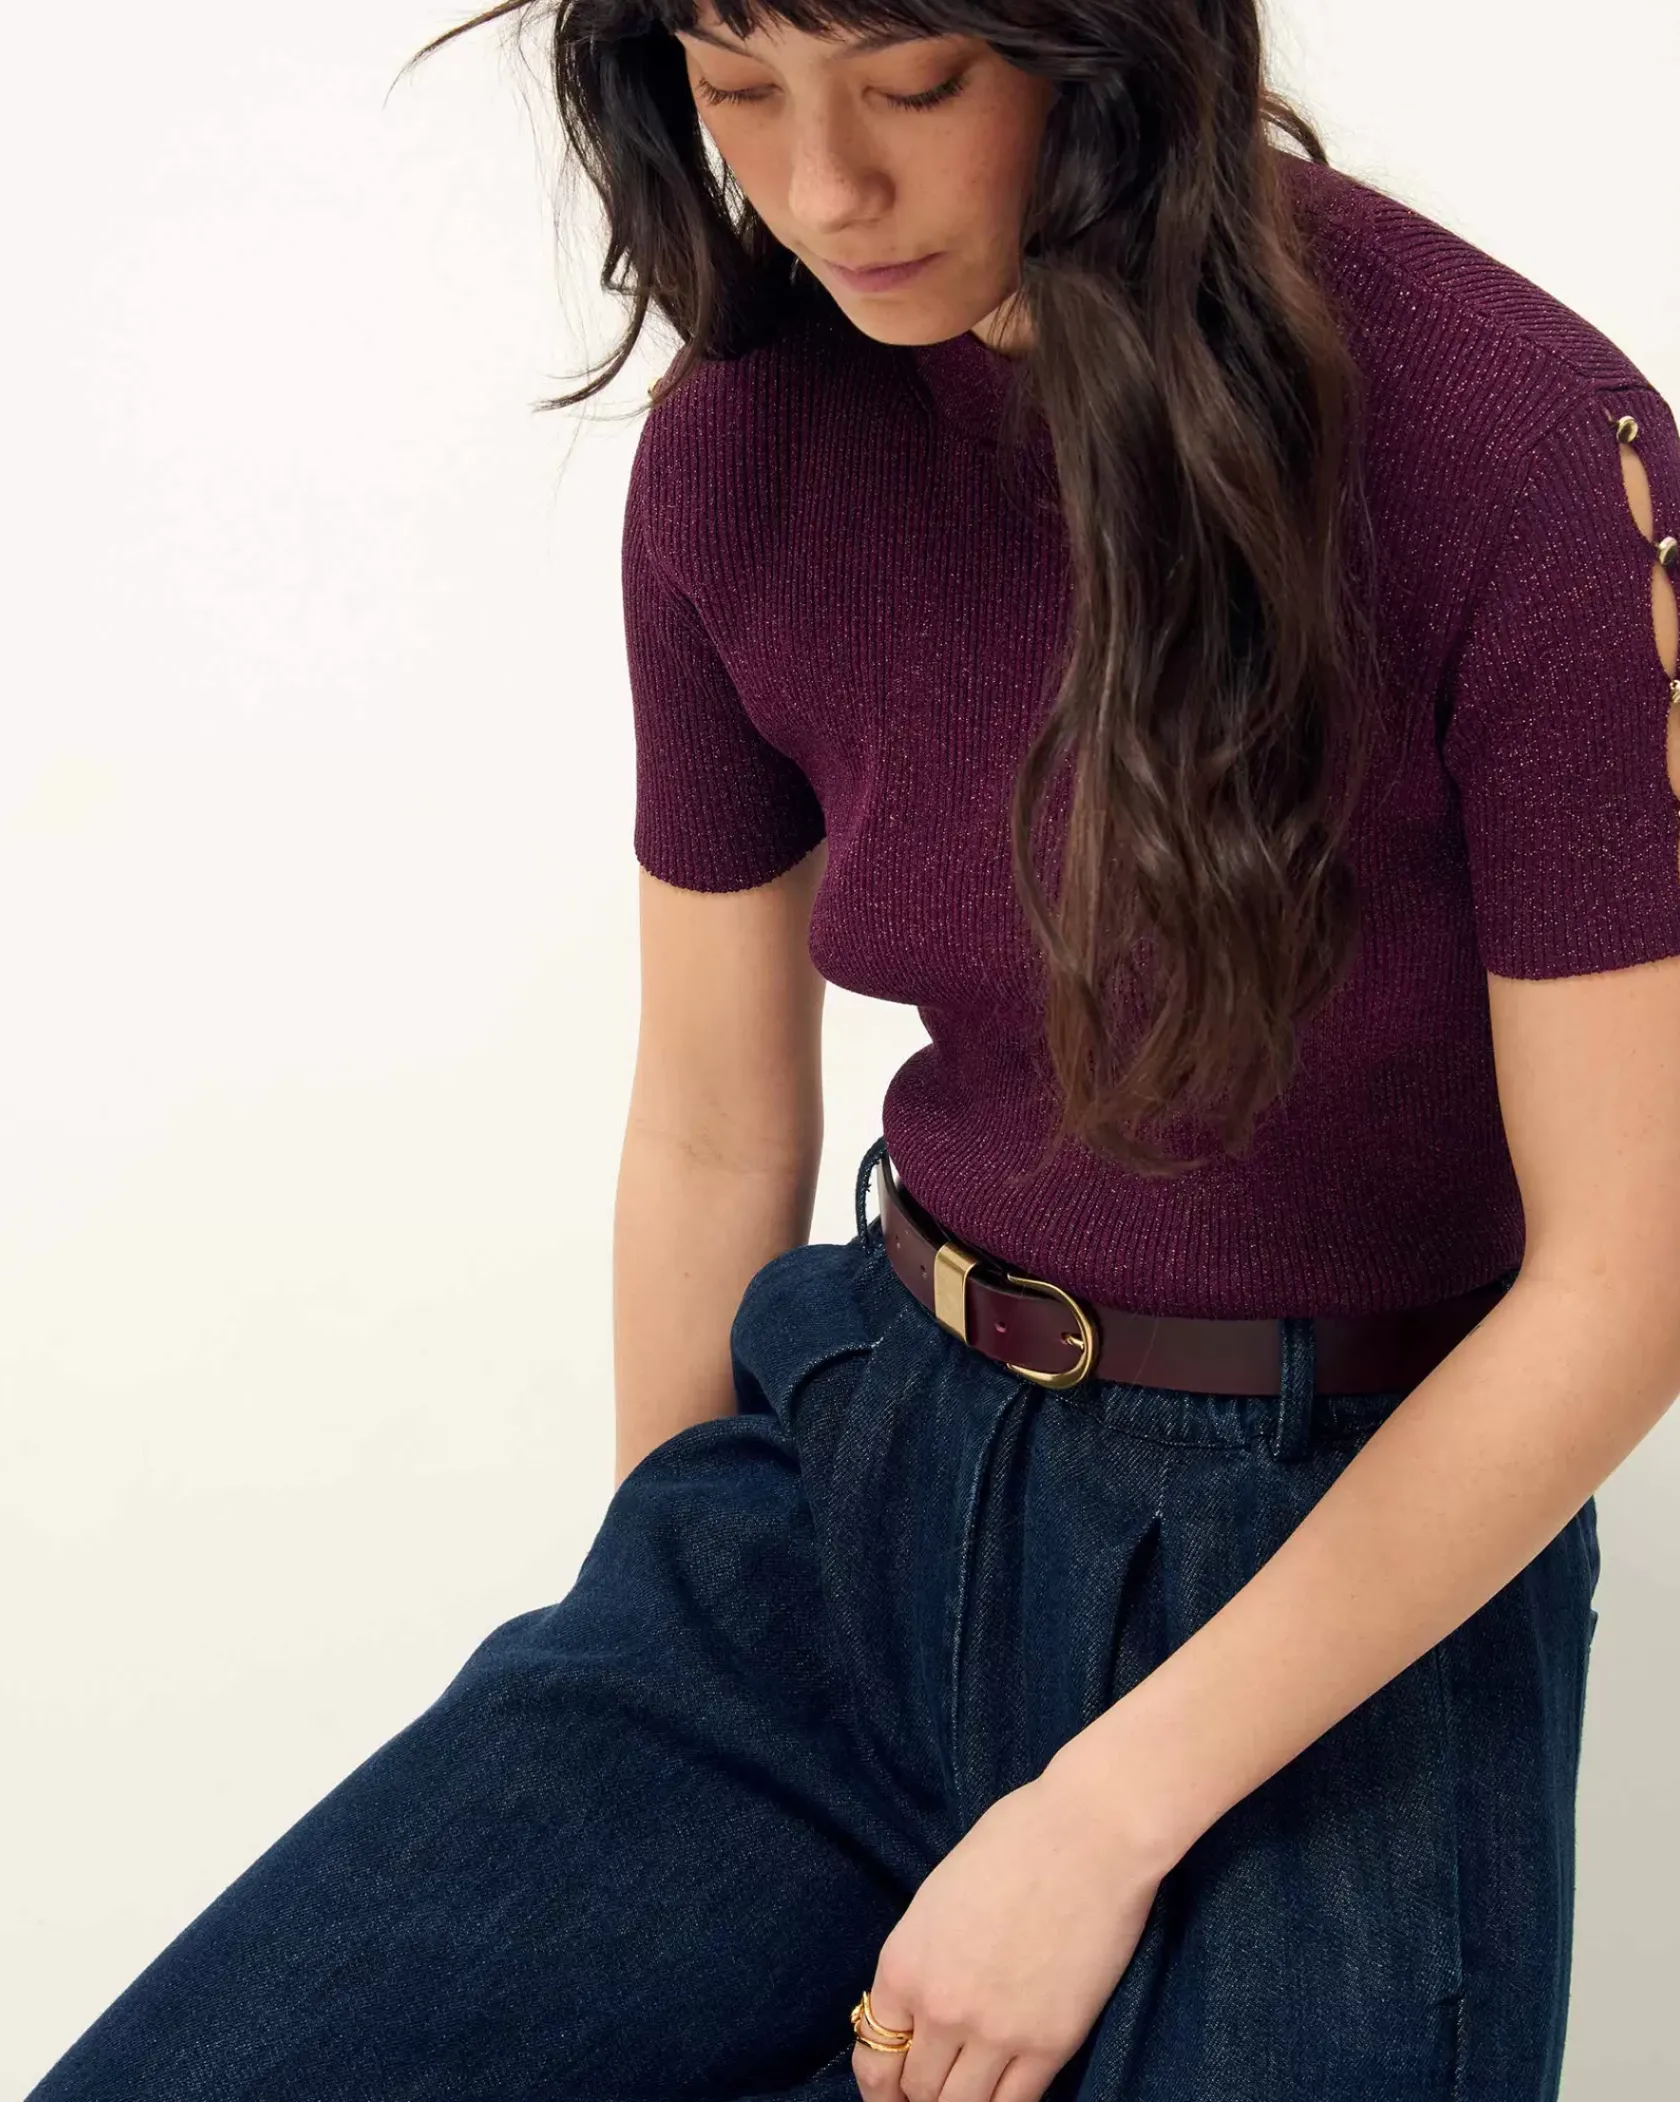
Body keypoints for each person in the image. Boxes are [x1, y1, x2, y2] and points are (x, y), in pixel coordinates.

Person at [26, 0, 1680, 2097]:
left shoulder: (1524, 450)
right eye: (737, 92)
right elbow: (714, 1126)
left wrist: (1098, 1820)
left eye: (913, 86)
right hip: (852, 1474)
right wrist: (652, 1620)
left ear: (1108, 51)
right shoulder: (741, 448)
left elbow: (1632, 1273)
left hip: (1329, 1571)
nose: (821, 192)